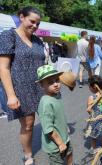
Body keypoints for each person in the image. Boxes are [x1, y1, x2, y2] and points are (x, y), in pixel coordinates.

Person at [0, 6, 45, 165]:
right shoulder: (9, 35)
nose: (35, 26)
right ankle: (28, 154)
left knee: (48, 115)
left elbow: (43, 64)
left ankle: (56, 141)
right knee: (28, 123)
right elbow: (3, 68)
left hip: (40, 86)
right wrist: (11, 95)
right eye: (32, 21)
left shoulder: (38, 40)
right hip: (20, 87)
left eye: (38, 24)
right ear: (21, 17)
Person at [36, 65, 73, 165]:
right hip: (55, 144)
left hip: (65, 137)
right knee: (58, 162)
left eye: (57, 80)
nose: (56, 84)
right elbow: (48, 129)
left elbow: (59, 116)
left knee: (69, 154)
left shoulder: (56, 95)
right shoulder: (46, 103)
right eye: (50, 82)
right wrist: (60, 143)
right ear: (41, 85)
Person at [86, 75, 102, 154]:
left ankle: (94, 149)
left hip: (95, 120)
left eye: (89, 86)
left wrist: (92, 112)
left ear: (93, 87)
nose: (89, 88)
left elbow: (89, 110)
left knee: (93, 135)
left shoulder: (91, 97)